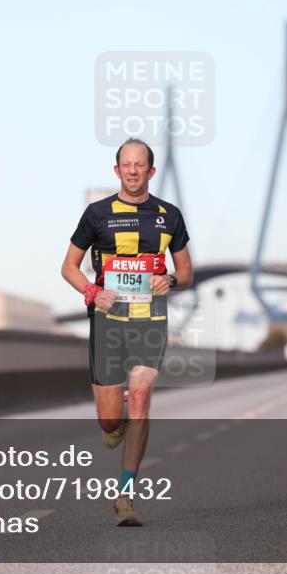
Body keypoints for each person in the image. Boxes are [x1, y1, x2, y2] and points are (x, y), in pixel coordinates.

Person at [61, 138, 193, 526]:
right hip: (108, 322)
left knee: (139, 400)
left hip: (149, 321)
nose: (133, 171)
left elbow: (186, 272)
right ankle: (111, 426)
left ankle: (125, 496)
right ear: (116, 170)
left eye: (141, 165)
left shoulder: (169, 216)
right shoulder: (97, 215)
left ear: (151, 172)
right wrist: (92, 291)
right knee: (109, 421)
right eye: (126, 165)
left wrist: (170, 280)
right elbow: (69, 266)